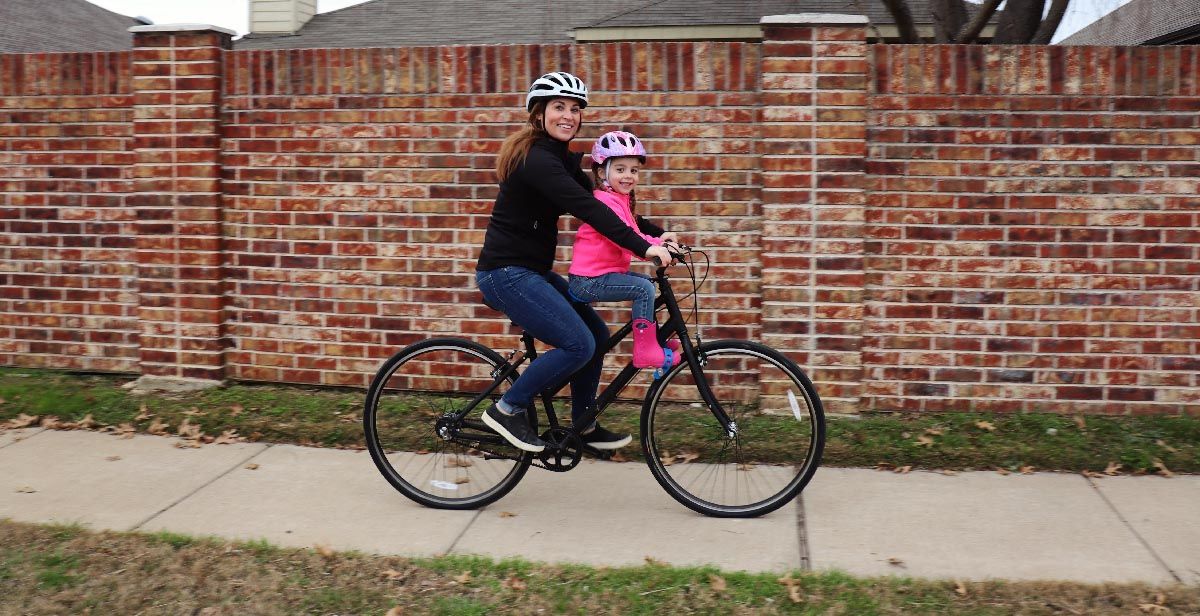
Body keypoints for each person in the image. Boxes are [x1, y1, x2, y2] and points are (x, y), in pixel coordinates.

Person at [475, 72, 674, 454]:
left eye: (575, 109)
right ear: (539, 114)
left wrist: (658, 235)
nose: (568, 115)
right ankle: (507, 409)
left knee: (596, 336)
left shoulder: (559, 159)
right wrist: (643, 249)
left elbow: (608, 207)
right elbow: (587, 209)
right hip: (505, 273)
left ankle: (582, 423)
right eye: (559, 107)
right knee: (577, 343)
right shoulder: (536, 160)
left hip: (530, 272)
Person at [567, 130, 681, 373]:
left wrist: (660, 240)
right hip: (588, 281)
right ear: (601, 172)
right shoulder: (604, 201)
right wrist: (654, 250)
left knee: (645, 283)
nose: (628, 176)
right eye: (620, 169)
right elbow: (624, 237)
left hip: (599, 275)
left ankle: (653, 341)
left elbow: (635, 229)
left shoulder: (619, 199)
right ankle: (644, 351)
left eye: (634, 170)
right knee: (644, 288)